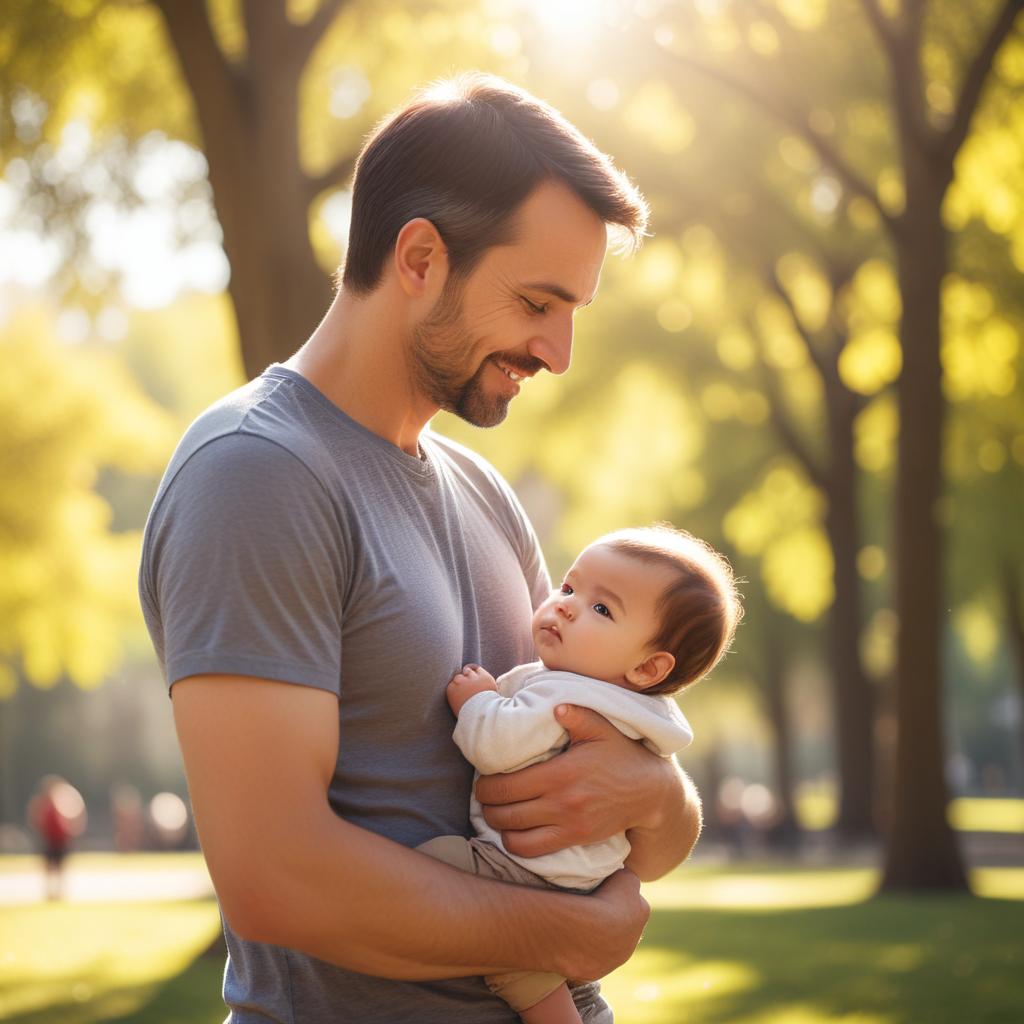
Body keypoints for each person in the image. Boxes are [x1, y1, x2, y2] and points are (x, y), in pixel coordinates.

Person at [139, 72, 703, 1023]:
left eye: (573, 313)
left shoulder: (482, 491)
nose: (560, 353)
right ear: (419, 258)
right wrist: (566, 938)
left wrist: (653, 789)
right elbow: (273, 876)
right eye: (537, 302)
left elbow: (631, 809)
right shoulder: (258, 475)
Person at [421, 525, 741, 1023]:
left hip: (528, 876)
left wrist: (477, 700)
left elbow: (496, 745)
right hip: (579, 879)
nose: (566, 605)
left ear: (648, 668)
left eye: (602, 609)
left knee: (446, 880)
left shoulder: (567, 695)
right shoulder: (636, 709)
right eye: (569, 588)